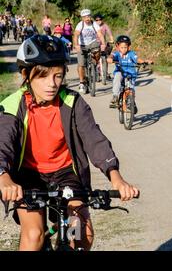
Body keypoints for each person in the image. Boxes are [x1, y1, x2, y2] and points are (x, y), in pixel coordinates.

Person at [0, 35, 139, 251]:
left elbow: (94, 138)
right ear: (26, 75)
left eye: (57, 76)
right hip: (28, 176)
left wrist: (116, 177)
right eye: (43, 76)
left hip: (66, 174)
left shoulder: (73, 102)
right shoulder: (13, 104)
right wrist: (4, 177)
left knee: (81, 232)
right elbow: (3, 142)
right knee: (34, 234)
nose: (51, 84)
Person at [107, 35, 149, 110]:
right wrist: (110, 59)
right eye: (122, 47)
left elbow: (137, 59)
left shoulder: (131, 54)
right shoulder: (116, 53)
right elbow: (111, 56)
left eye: (125, 47)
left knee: (131, 89)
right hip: (120, 72)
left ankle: (132, 101)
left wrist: (143, 61)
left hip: (130, 74)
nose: (123, 49)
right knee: (117, 77)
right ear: (117, 46)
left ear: (129, 47)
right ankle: (115, 96)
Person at [72, 9, 106, 94]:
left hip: (92, 43)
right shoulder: (80, 25)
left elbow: (100, 34)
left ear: (90, 16)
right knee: (81, 64)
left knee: (98, 51)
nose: (87, 18)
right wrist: (76, 45)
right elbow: (76, 35)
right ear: (82, 18)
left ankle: (95, 64)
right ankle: (82, 82)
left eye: (88, 16)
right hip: (82, 45)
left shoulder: (94, 24)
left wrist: (103, 44)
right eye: (85, 17)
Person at [94, 14, 115, 78]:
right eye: (97, 20)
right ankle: (94, 69)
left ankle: (105, 72)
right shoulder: (93, 26)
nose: (98, 21)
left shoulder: (105, 26)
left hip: (103, 44)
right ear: (95, 21)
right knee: (95, 57)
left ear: (102, 20)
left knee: (105, 58)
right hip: (95, 43)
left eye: (100, 19)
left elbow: (109, 33)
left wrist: (112, 40)